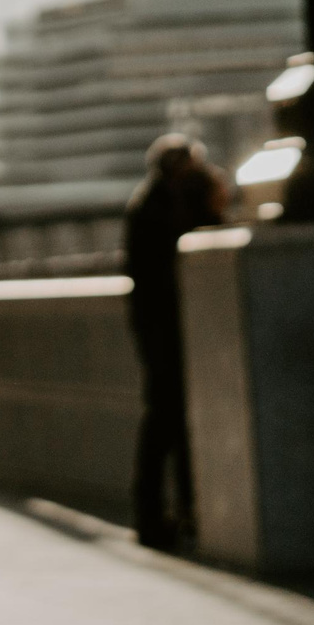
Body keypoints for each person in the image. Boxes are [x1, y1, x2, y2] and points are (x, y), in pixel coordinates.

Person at [124, 133, 227, 552]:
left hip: (161, 332)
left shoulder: (148, 204)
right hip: (172, 331)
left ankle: (167, 514)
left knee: (166, 424)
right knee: (171, 423)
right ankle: (180, 512)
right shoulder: (168, 208)